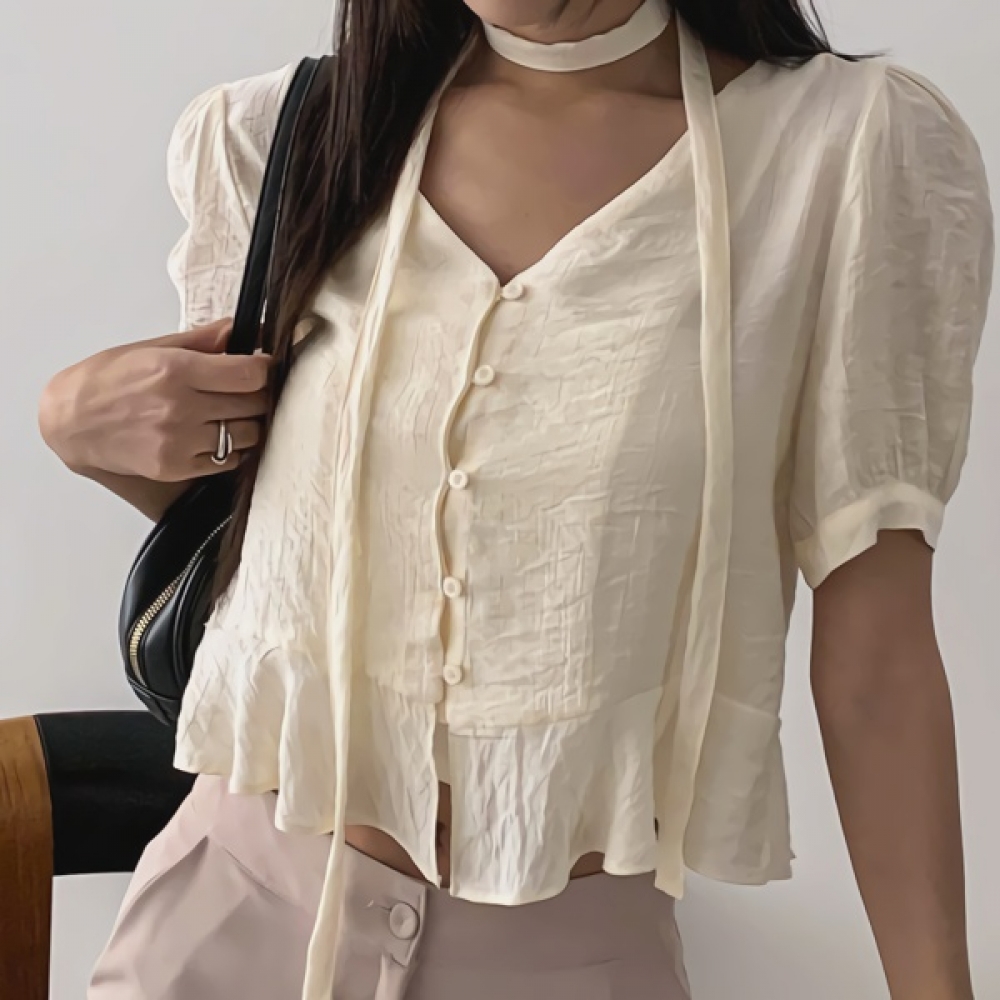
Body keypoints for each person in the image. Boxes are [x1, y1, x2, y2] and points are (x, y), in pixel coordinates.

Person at [38, 1, 992, 998]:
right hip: (220, 923)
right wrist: (78, 431)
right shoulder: (284, 134)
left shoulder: (842, 154)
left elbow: (879, 659)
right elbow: (282, 548)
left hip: (565, 959)